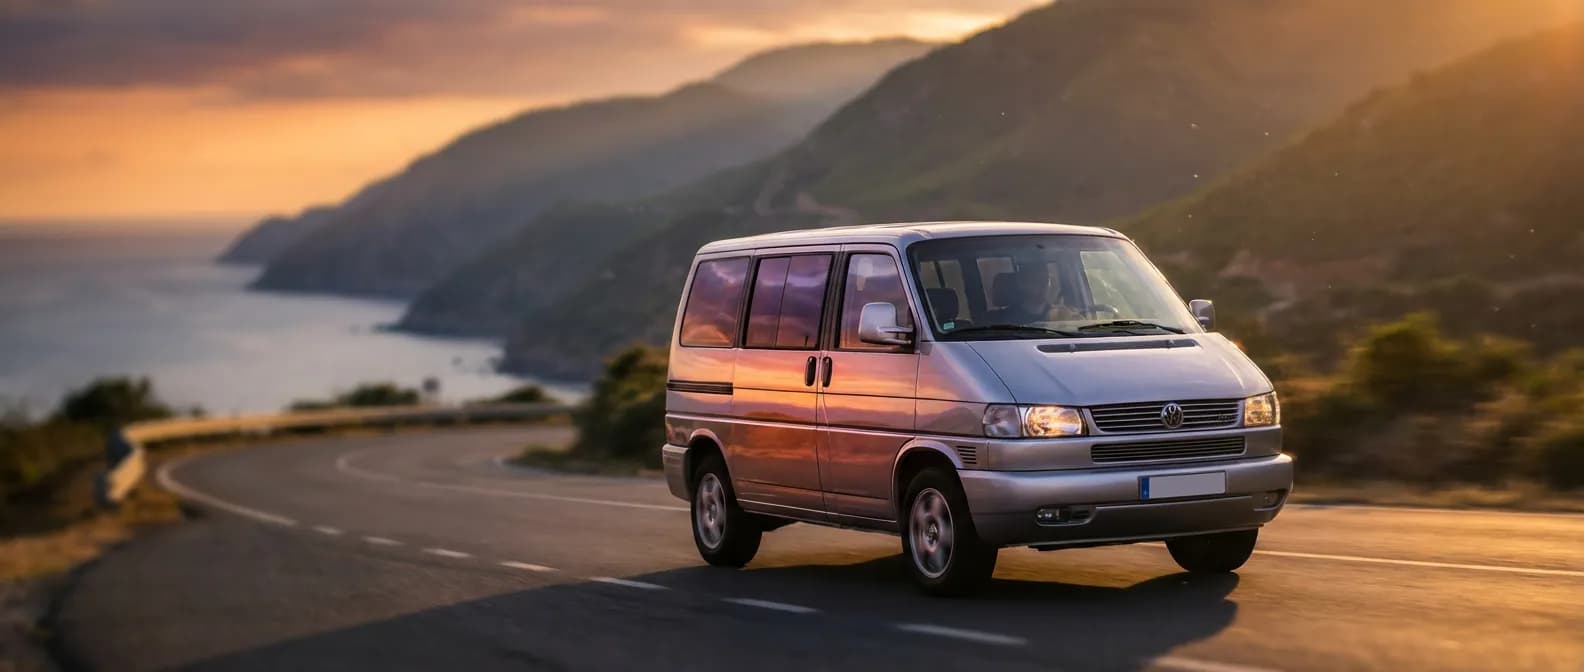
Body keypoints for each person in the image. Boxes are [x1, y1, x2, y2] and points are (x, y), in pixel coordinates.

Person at [987, 263, 1081, 324]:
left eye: (1046, 280)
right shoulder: (998, 321)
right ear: (1022, 283)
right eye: (1036, 280)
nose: (1043, 285)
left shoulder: (1063, 316)